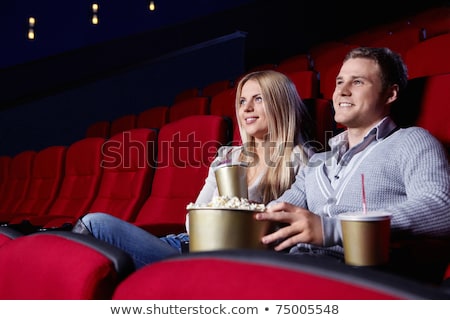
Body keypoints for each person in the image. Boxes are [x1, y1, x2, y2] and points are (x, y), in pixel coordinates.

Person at [72, 70, 313, 270]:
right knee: (87, 249)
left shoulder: (301, 161)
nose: (247, 107)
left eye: (258, 99)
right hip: (184, 244)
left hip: (215, 261)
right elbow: (192, 218)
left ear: (281, 105)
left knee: (95, 225)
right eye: (242, 101)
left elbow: (285, 232)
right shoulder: (227, 156)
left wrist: (226, 219)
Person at [255, 47, 450, 281]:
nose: (342, 92)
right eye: (339, 82)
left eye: (357, 82)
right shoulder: (318, 161)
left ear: (390, 94)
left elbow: (441, 207)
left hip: (361, 276)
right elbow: (277, 213)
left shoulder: (412, 140)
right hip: (298, 267)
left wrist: (336, 229)